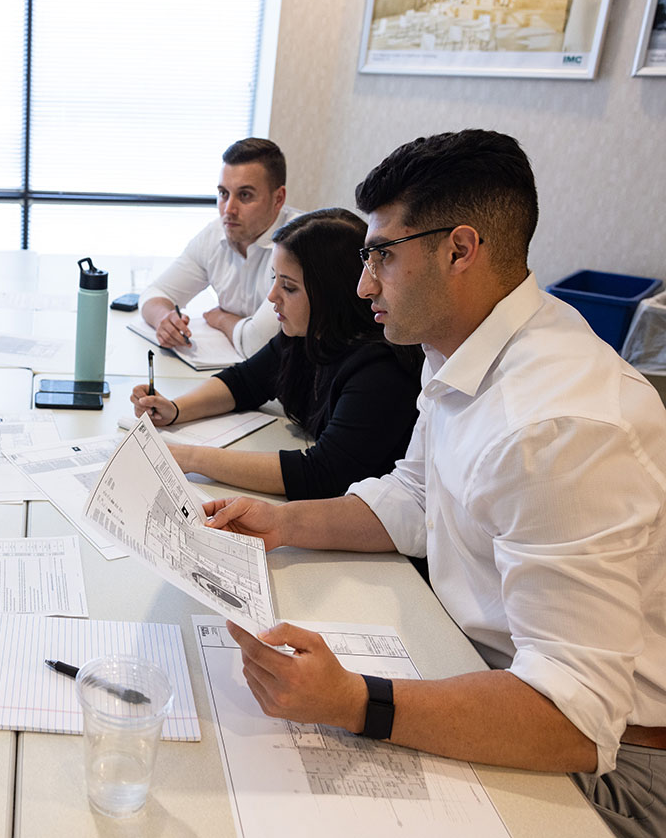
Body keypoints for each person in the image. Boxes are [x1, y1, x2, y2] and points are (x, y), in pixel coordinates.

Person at [203, 130, 666, 838]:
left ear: (460, 250)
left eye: (382, 256)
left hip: (616, 763)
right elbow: (415, 499)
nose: (363, 286)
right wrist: (282, 523)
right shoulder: (461, 344)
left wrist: (358, 703)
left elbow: (576, 718)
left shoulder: (561, 427)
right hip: (487, 670)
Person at [130, 208, 422, 500]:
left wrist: (190, 458)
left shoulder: (380, 371)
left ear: (330, 294)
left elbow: (321, 473)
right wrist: (176, 408)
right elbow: (244, 382)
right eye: (274, 279)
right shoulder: (306, 335)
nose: (272, 296)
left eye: (288, 287)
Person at [140, 138, 302, 359]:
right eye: (223, 193)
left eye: (245, 195)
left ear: (278, 198)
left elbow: (258, 344)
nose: (229, 209)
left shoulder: (298, 243)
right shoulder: (215, 234)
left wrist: (221, 318)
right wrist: (164, 320)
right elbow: (154, 293)